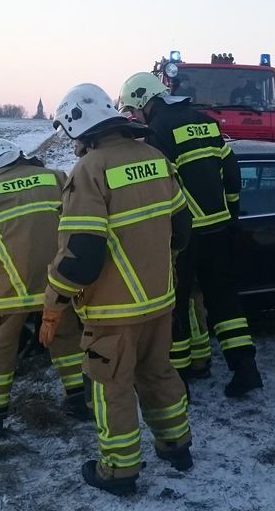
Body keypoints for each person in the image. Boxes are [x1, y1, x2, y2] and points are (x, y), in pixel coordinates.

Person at [39, 83, 195, 494]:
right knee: (159, 372)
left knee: (113, 388)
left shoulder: (89, 171)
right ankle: (177, 447)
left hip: (112, 311)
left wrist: (55, 294)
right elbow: (183, 228)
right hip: (160, 301)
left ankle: (119, 471)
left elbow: (83, 255)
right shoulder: (155, 158)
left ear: (77, 127)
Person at [118, 72, 263, 397]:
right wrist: (232, 213)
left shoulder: (157, 131)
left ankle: (178, 380)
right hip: (219, 229)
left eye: (132, 109)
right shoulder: (206, 121)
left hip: (183, 237)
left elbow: (157, 187)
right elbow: (232, 171)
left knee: (176, 306)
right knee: (224, 301)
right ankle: (245, 368)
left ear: (143, 101)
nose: (134, 116)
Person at [0, 139, 85, 437]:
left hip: (10, 291)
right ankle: (81, 402)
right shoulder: (57, 177)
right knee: (69, 342)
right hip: (58, 284)